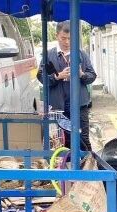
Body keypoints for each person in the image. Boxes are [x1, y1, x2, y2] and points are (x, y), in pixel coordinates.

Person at [37, 20, 97, 151]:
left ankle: (85, 168)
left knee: (83, 139)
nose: (67, 42)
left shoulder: (81, 55)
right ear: (56, 35)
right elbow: (41, 77)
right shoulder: (49, 56)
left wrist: (82, 74)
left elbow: (92, 75)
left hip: (79, 106)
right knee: (58, 141)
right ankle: (62, 169)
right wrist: (57, 76)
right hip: (57, 108)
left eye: (70, 39)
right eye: (63, 38)